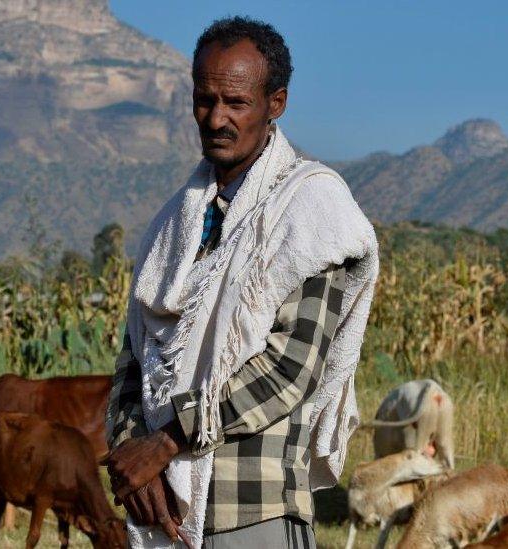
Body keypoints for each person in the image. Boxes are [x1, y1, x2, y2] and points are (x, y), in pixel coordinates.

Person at [104, 16, 378, 549]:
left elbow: (288, 370)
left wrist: (164, 442)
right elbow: (133, 360)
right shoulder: (171, 226)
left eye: (236, 103)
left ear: (275, 103)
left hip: (254, 511)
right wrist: (134, 456)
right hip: (164, 511)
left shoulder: (311, 212)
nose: (216, 118)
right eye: (204, 100)